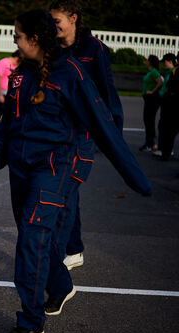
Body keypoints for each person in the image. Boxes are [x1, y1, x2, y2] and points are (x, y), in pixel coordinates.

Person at [0, 10, 152, 333]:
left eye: (17, 35)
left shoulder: (72, 74)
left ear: (35, 39)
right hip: (20, 170)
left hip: (54, 169)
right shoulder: (19, 75)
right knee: (31, 235)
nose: (13, 40)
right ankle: (61, 286)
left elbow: (104, 127)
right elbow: (6, 126)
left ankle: (31, 322)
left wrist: (136, 177)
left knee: (31, 239)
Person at [49, 0, 125, 270]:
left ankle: (65, 252)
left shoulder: (95, 50)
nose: (53, 26)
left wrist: (114, 138)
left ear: (73, 18)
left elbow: (108, 96)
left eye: (57, 21)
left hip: (82, 136)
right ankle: (73, 248)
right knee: (67, 194)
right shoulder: (53, 48)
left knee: (65, 192)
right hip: (55, 133)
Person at [154, 53, 178, 160]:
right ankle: (165, 149)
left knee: (168, 128)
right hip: (167, 101)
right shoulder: (170, 72)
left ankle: (166, 150)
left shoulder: (174, 72)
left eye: (165, 61)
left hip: (171, 102)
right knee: (164, 126)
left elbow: (169, 87)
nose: (163, 63)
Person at [140, 55, 163, 152]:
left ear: (151, 62)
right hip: (148, 99)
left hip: (152, 99)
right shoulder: (151, 71)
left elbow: (160, 81)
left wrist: (153, 91)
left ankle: (151, 143)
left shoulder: (154, 72)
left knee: (149, 120)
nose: (146, 62)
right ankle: (149, 141)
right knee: (147, 120)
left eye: (148, 60)